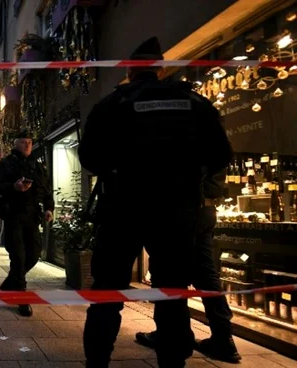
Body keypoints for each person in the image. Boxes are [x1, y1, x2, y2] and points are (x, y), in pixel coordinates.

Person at [78, 36, 233, 368]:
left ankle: (98, 362)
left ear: (132, 70)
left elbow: (90, 157)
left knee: (107, 294)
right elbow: (221, 155)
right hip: (177, 212)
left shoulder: (112, 104)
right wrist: (187, 172)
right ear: (160, 69)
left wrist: (122, 167)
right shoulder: (193, 102)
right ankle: (173, 362)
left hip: (122, 209)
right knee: (173, 293)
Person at [135, 170, 241, 363]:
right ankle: (223, 337)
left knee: (168, 273)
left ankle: (171, 335)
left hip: (175, 208)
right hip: (204, 209)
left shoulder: (183, 140)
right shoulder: (215, 141)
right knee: (206, 275)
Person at [0, 129, 55, 317]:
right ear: (14, 143)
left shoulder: (37, 166)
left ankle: (10, 283)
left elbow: (46, 190)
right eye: (22, 141)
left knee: (34, 254)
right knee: (18, 257)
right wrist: (14, 187)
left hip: (32, 217)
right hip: (14, 216)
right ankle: (21, 298)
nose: (27, 144)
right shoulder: (5, 165)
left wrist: (48, 208)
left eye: (29, 141)